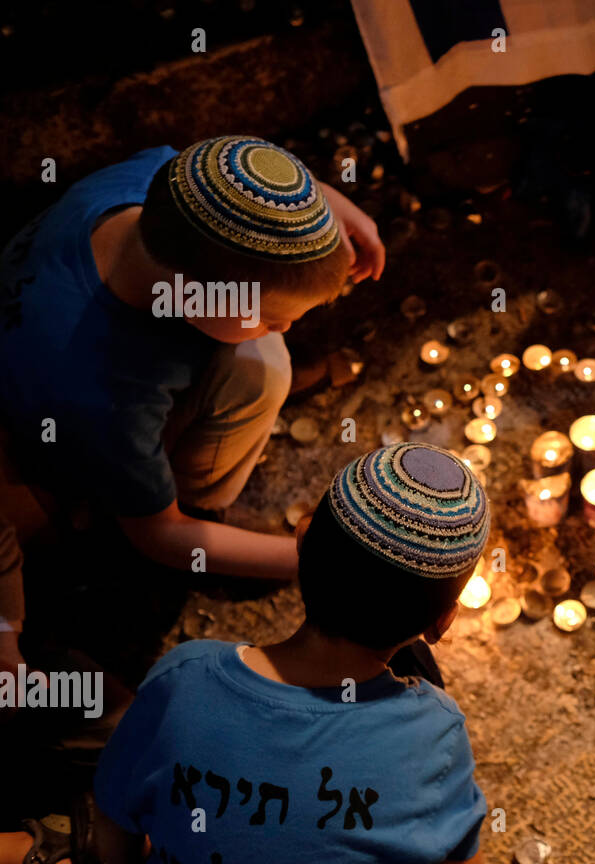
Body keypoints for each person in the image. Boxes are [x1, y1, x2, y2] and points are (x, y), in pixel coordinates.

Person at [0, 135, 386, 582]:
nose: (285, 328)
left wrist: (313, 206)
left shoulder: (164, 188)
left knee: (261, 353)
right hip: (51, 433)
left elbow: (241, 177)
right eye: (272, 317)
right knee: (265, 368)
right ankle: (199, 497)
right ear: (193, 298)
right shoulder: (106, 395)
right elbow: (159, 534)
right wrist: (322, 564)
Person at [91, 443, 490, 864]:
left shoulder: (181, 677)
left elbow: (112, 828)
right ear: (442, 623)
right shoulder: (433, 737)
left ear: (301, 539)